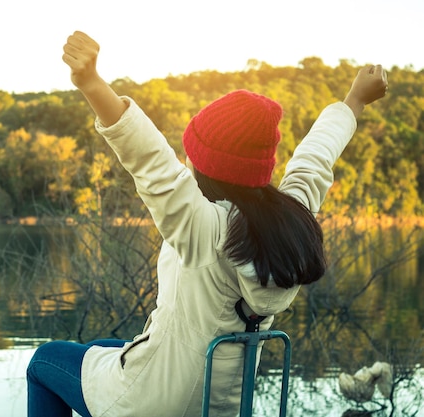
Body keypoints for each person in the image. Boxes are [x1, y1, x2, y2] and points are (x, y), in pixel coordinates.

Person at [26, 31, 388, 417]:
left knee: (44, 362)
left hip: (158, 404)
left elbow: (147, 158)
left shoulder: (205, 227)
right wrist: (354, 100)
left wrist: (91, 83)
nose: (185, 160)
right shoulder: (289, 220)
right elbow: (315, 157)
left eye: (191, 152)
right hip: (223, 403)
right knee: (104, 345)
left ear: (206, 166)